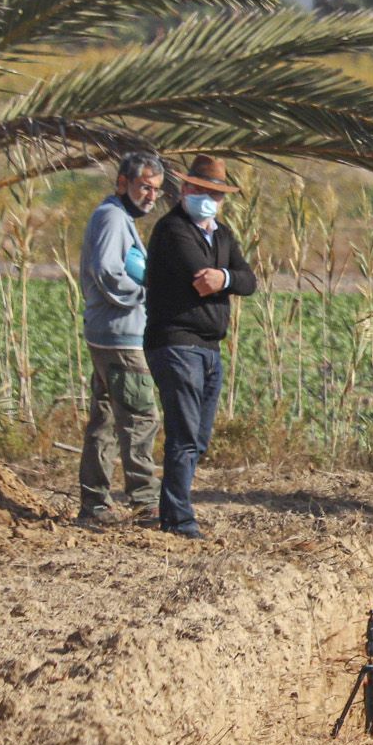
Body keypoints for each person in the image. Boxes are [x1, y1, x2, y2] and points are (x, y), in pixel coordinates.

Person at [143, 155, 257, 539]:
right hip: (176, 343)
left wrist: (223, 275)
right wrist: (227, 279)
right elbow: (200, 280)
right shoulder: (173, 230)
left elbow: (248, 280)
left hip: (209, 347)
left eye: (215, 194)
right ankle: (177, 519)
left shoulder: (222, 235)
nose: (207, 198)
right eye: (200, 190)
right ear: (185, 189)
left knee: (199, 436)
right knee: (185, 433)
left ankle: (173, 509)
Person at [74, 151, 164, 525]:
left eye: (156, 190)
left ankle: (94, 505)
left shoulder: (116, 216)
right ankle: (145, 503)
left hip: (108, 334)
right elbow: (107, 272)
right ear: (122, 183)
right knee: (141, 417)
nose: (150, 196)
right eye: (145, 187)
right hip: (121, 338)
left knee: (106, 420)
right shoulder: (112, 217)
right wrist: (147, 294)